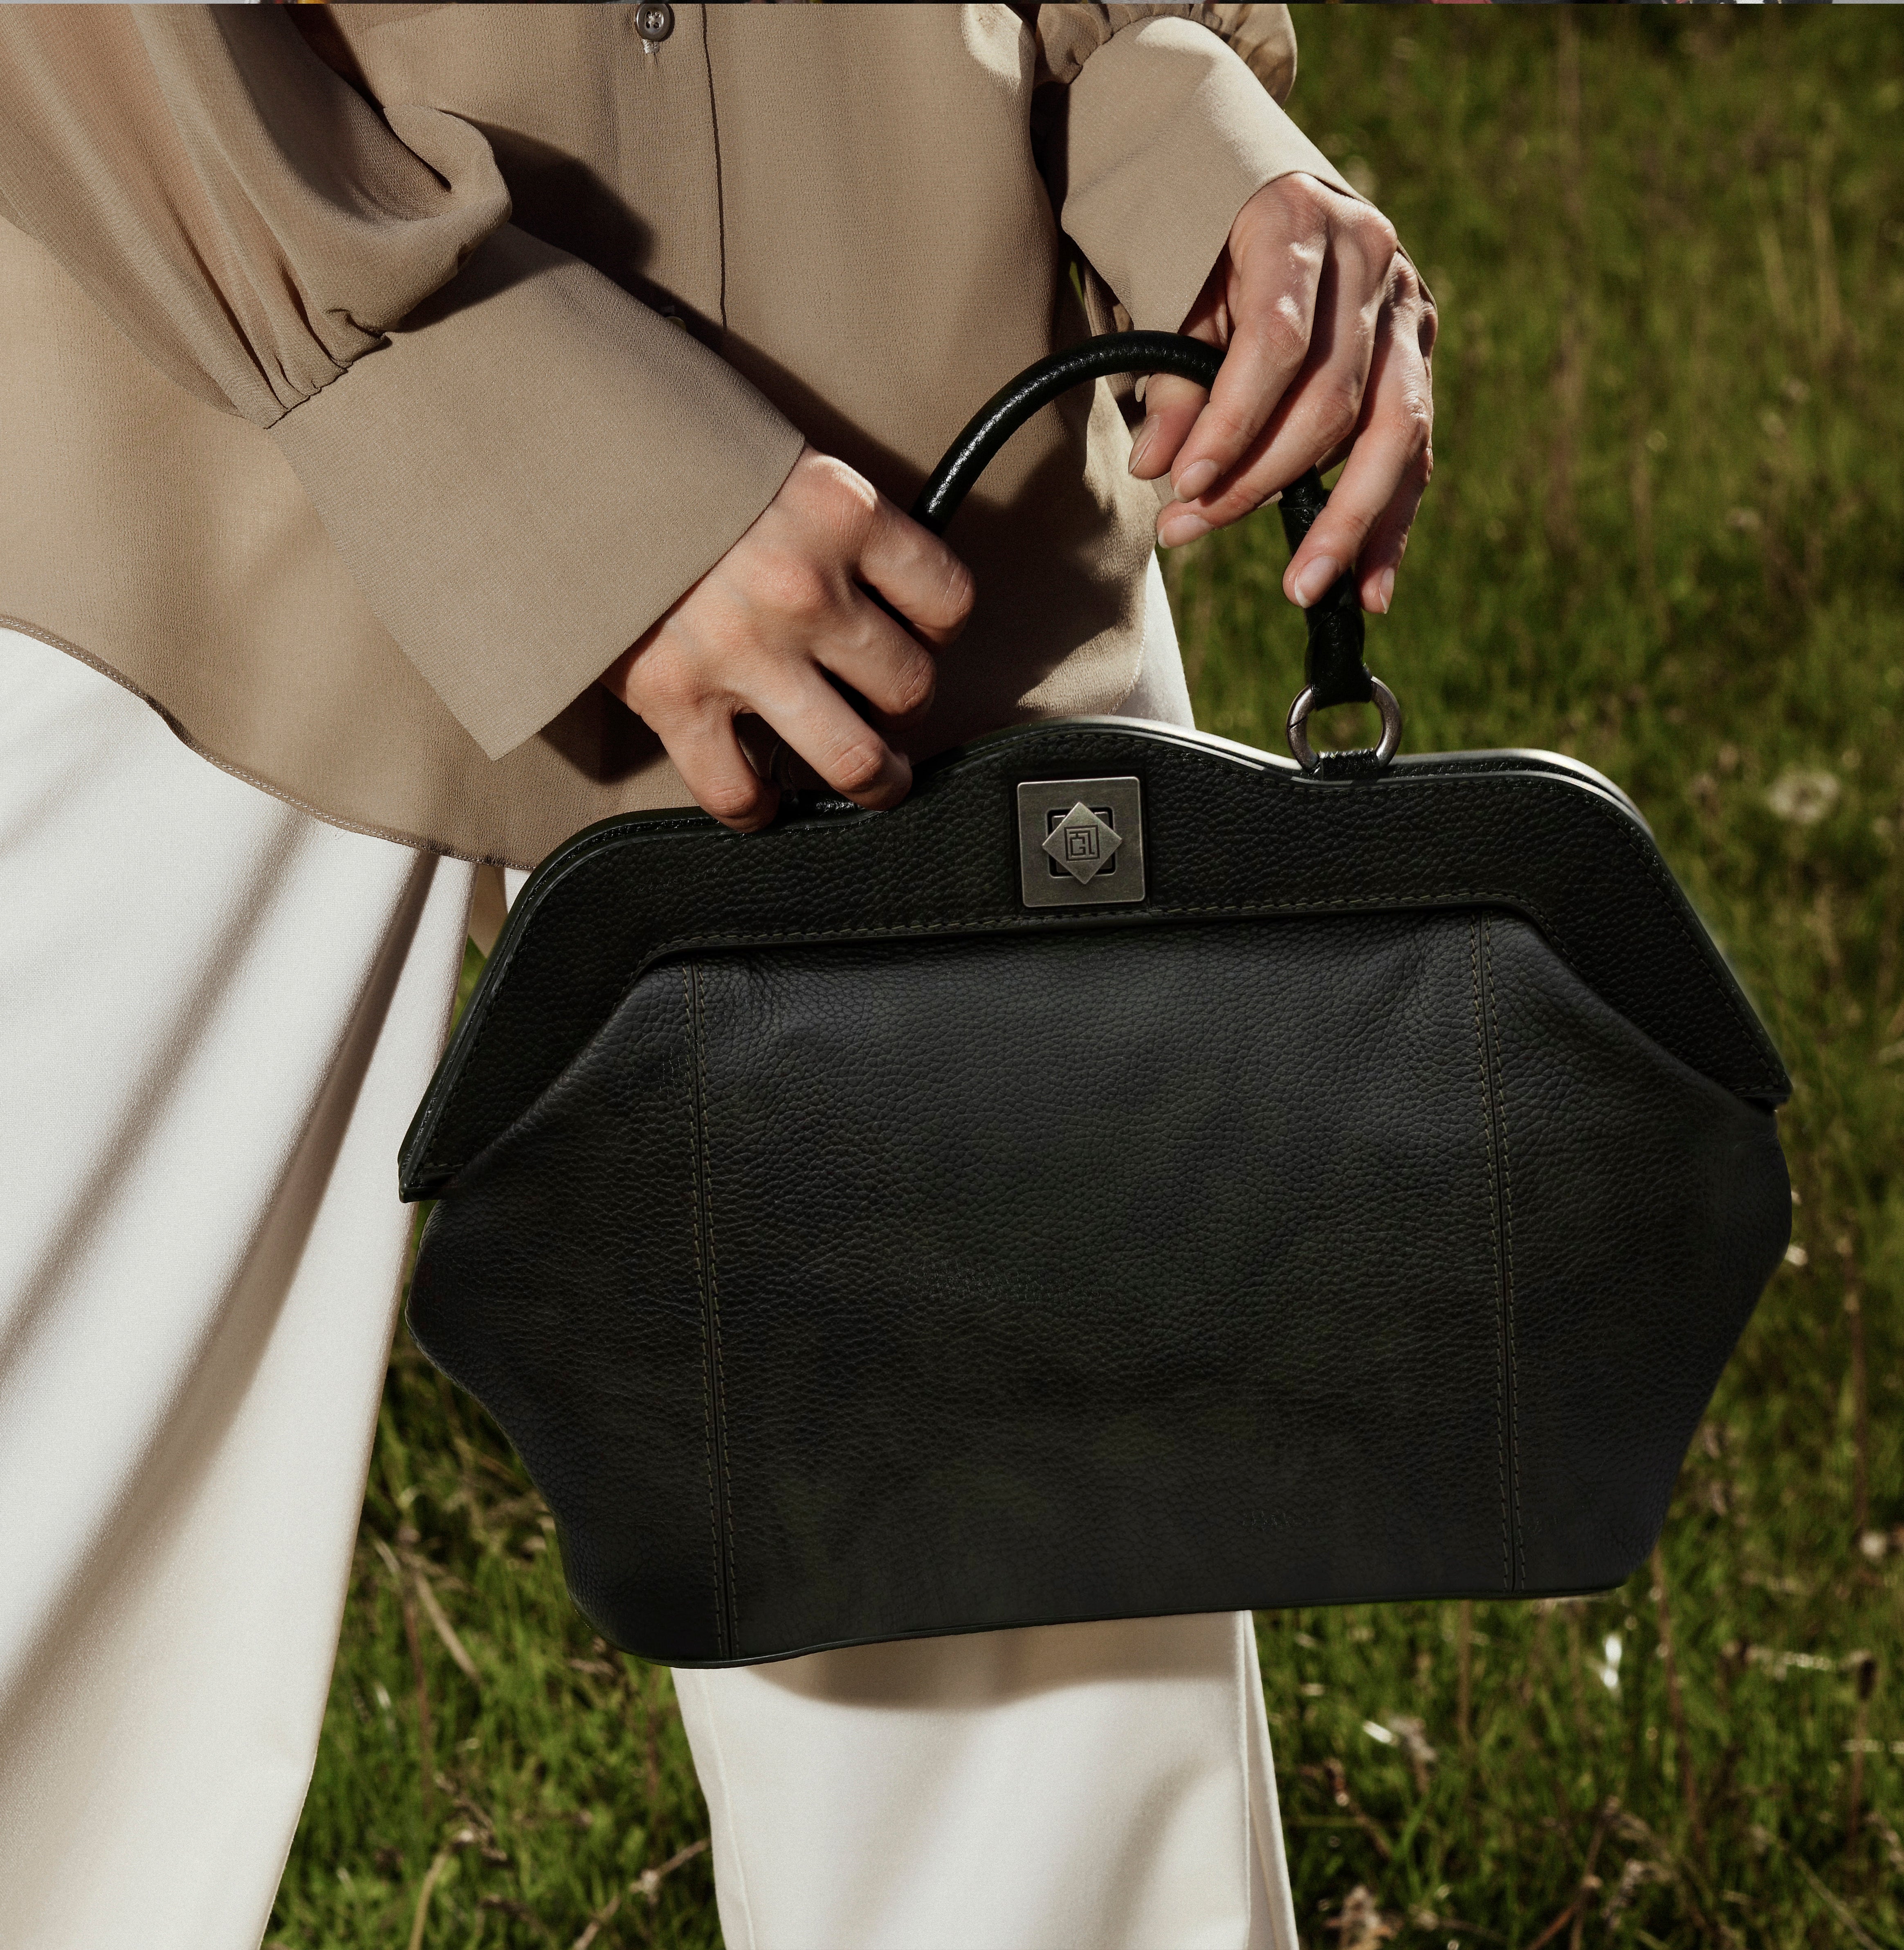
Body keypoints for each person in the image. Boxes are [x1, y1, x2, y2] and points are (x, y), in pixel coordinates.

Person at [0, 6, 1435, 1946]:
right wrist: (470, 402)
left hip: (923, 479)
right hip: (180, 442)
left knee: (1035, 1785)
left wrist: (1172, 107)